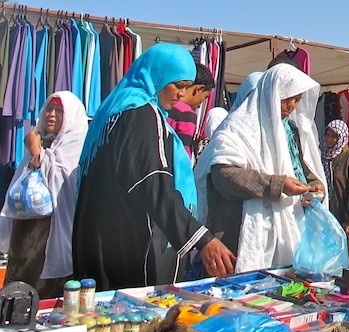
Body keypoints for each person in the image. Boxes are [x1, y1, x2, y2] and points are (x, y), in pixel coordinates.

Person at [73, 43, 235, 291]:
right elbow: (151, 181)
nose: (182, 94)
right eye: (178, 85)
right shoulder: (142, 113)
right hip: (127, 245)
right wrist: (201, 238)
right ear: (158, 75)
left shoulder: (115, 107)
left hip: (99, 237)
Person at [194, 63, 327, 273]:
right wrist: (277, 184)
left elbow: (298, 167)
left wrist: (313, 186)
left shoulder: (288, 130)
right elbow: (224, 177)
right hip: (237, 236)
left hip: (286, 235)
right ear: (271, 94)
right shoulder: (235, 130)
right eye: (286, 98)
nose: (291, 106)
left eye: (297, 100)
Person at [0, 91, 88, 298]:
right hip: (24, 232)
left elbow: (65, 185)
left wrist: (38, 155)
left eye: (59, 111)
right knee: (18, 287)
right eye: (49, 109)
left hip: (49, 234)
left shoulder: (75, 147)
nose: (51, 115)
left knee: (42, 292)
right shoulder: (40, 142)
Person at [321, 119, 349, 259]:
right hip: (326, 211)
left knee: (347, 253)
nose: (329, 139)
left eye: (334, 136)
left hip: (343, 213)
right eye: (327, 135)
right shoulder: (322, 154)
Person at [167, 63, 215, 160]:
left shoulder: (163, 104)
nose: (199, 105)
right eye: (204, 97)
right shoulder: (186, 114)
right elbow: (183, 155)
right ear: (198, 89)